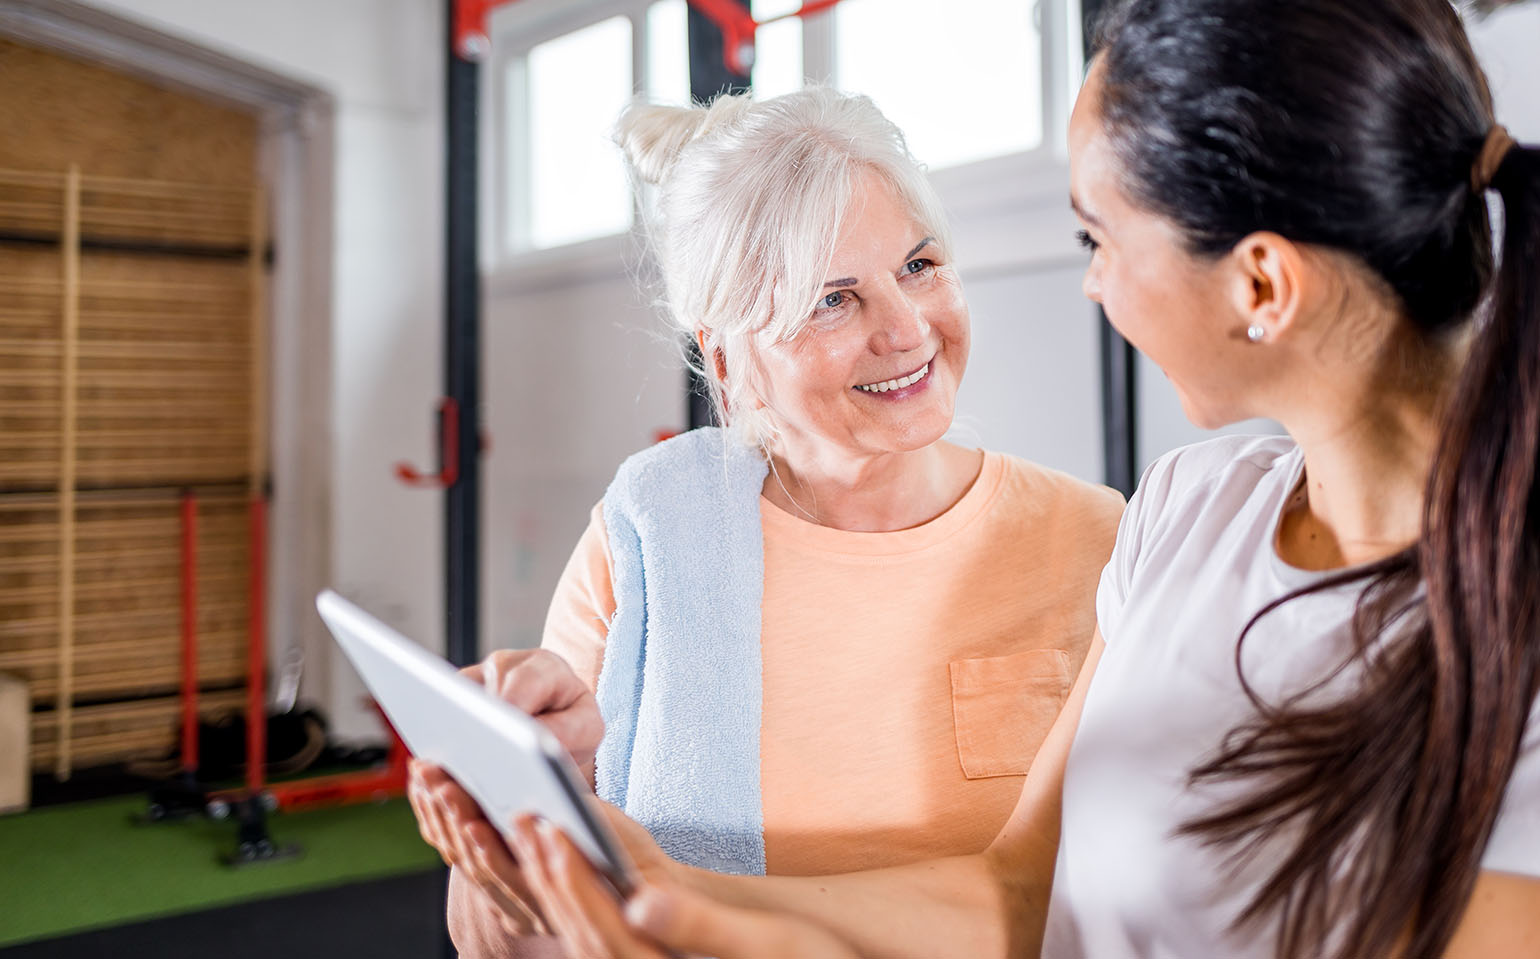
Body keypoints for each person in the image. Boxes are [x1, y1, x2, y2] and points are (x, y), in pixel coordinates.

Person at [487, 1, 1540, 956]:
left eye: (1098, 236)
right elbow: (1018, 889)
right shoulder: (1186, 512)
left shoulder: (1501, 601)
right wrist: (679, 896)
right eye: (831, 298)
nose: (1087, 284)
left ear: (1260, 281)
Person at [407, 87, 1124, 957]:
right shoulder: (643, 545)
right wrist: (516, 833)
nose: (905, 329)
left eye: (920, 265)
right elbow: (501, 944)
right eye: (832, 299)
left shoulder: (1100, 540)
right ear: (726, 356)